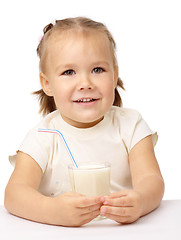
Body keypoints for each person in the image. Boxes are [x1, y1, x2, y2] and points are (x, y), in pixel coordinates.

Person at [4, 17, 164, 227]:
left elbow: (151, 180)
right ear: (47, 83)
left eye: (97, 69)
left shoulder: (131, 125)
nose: (85, 83)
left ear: (115, 75)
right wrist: (51, 211)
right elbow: (14, 194)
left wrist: (141, 202)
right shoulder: (43, 137)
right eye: (69, 72)